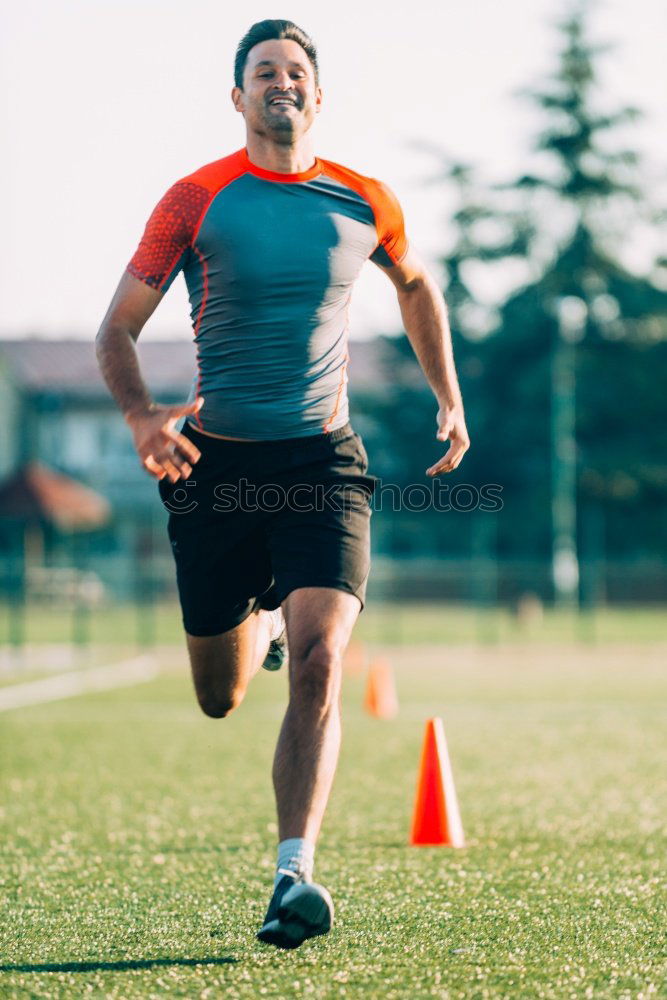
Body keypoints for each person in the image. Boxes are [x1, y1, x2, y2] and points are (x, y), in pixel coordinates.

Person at [96, 18, 469, 950]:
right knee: (219, 696)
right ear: (238, 97)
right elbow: (116, 331)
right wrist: (145, 417)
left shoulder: (364, 200)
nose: (281, 83)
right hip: (214, 467)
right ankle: (255, 620)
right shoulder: (194, 199)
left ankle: (292, 874)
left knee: (321, 658)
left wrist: (448, 399)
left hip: (322, 464)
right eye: (263, 71)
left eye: (296, 70)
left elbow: (415, 286)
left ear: (317, 92)